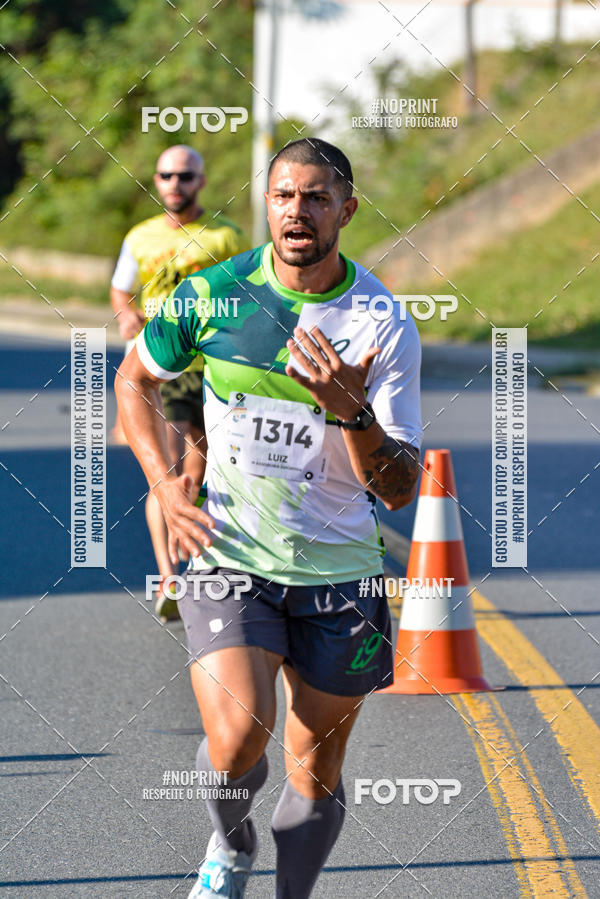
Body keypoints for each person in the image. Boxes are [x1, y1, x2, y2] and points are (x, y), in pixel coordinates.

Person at [115, 137, 422, 898]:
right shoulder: (213, 295)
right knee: (235, 739)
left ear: (345, 210)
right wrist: (165, 483)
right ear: (266, 204)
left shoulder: (382, 321)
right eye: (285, 194)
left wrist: (352, 413)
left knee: (315, 768)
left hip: (340, 573)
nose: (298, 210)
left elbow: (399, 490)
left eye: (317, 197)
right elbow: (134, 380)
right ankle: (230, 841)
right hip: (231, 556)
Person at [110, 144, 243, 620]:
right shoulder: (139, 237)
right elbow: (120, 289)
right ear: (156, 180)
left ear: (201, 182)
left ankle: (200, 561)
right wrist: (127, 317)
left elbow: (245, 294)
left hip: (208, 366)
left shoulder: (226, 237)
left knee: (199, 471)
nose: (175, 184)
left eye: (185, 176)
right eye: (166, 175)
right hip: (155, 367)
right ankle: (168, 575)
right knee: (162, 472)